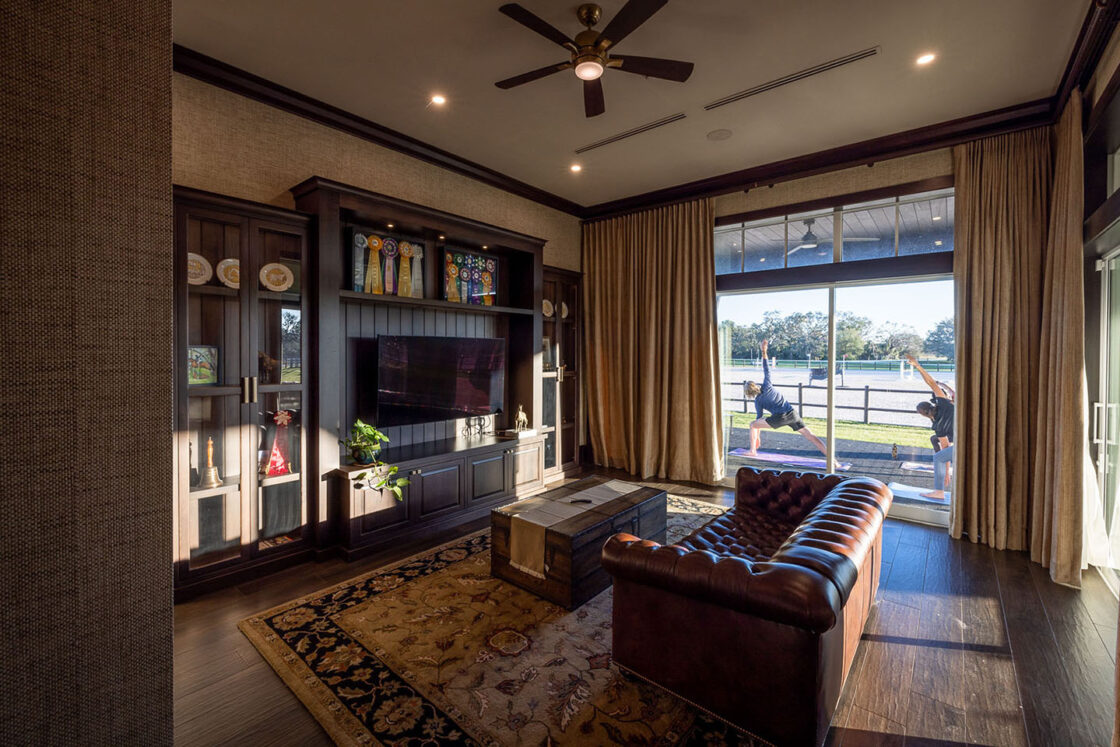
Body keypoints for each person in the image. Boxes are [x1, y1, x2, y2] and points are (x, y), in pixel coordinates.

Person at [745, 339, 834, 471]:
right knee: (812, 437)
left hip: (780, 418)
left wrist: (757, 437)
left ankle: (753, 450)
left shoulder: (758, 401)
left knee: (753, 424)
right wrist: (764, 351)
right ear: (756, 385)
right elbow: (766, 367)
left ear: (749, 393)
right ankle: (834, 462)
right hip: (792, 413)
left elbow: (758, 419)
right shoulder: (767, 385)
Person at [905, 353, 954, 500]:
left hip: (964, 447)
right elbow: (932, 383)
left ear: (923, 415)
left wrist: (946, 472)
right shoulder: (944, 403)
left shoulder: (938, 427)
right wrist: (917, 365)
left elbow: (945, 448)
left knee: (939, 458)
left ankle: (939, 492)